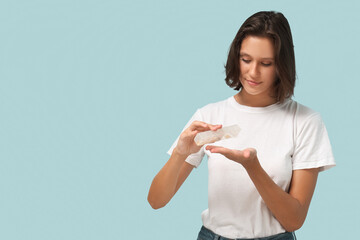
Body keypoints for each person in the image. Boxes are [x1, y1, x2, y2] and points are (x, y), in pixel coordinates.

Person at [147, 11, 335, 240]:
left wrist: (253, 167)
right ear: (236, 57)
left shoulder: (305, 121)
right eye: (246, 60)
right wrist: (179, 154)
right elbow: (156, 201)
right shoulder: (210, 115)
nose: (253, 72)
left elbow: (294, 219)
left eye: (266, 63)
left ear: (281, 65)